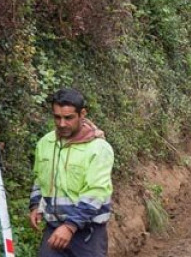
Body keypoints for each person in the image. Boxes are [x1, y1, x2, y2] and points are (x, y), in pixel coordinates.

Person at [29, 88, 114, 256]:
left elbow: (96, 193)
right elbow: (39, 179)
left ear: (82, 114)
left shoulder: (99, 148)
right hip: (54, 229)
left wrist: (70, 226)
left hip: (87, 235)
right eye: (57, 117)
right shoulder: (45, 143)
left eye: (68, 118)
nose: (62, 124)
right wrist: (35, 205)